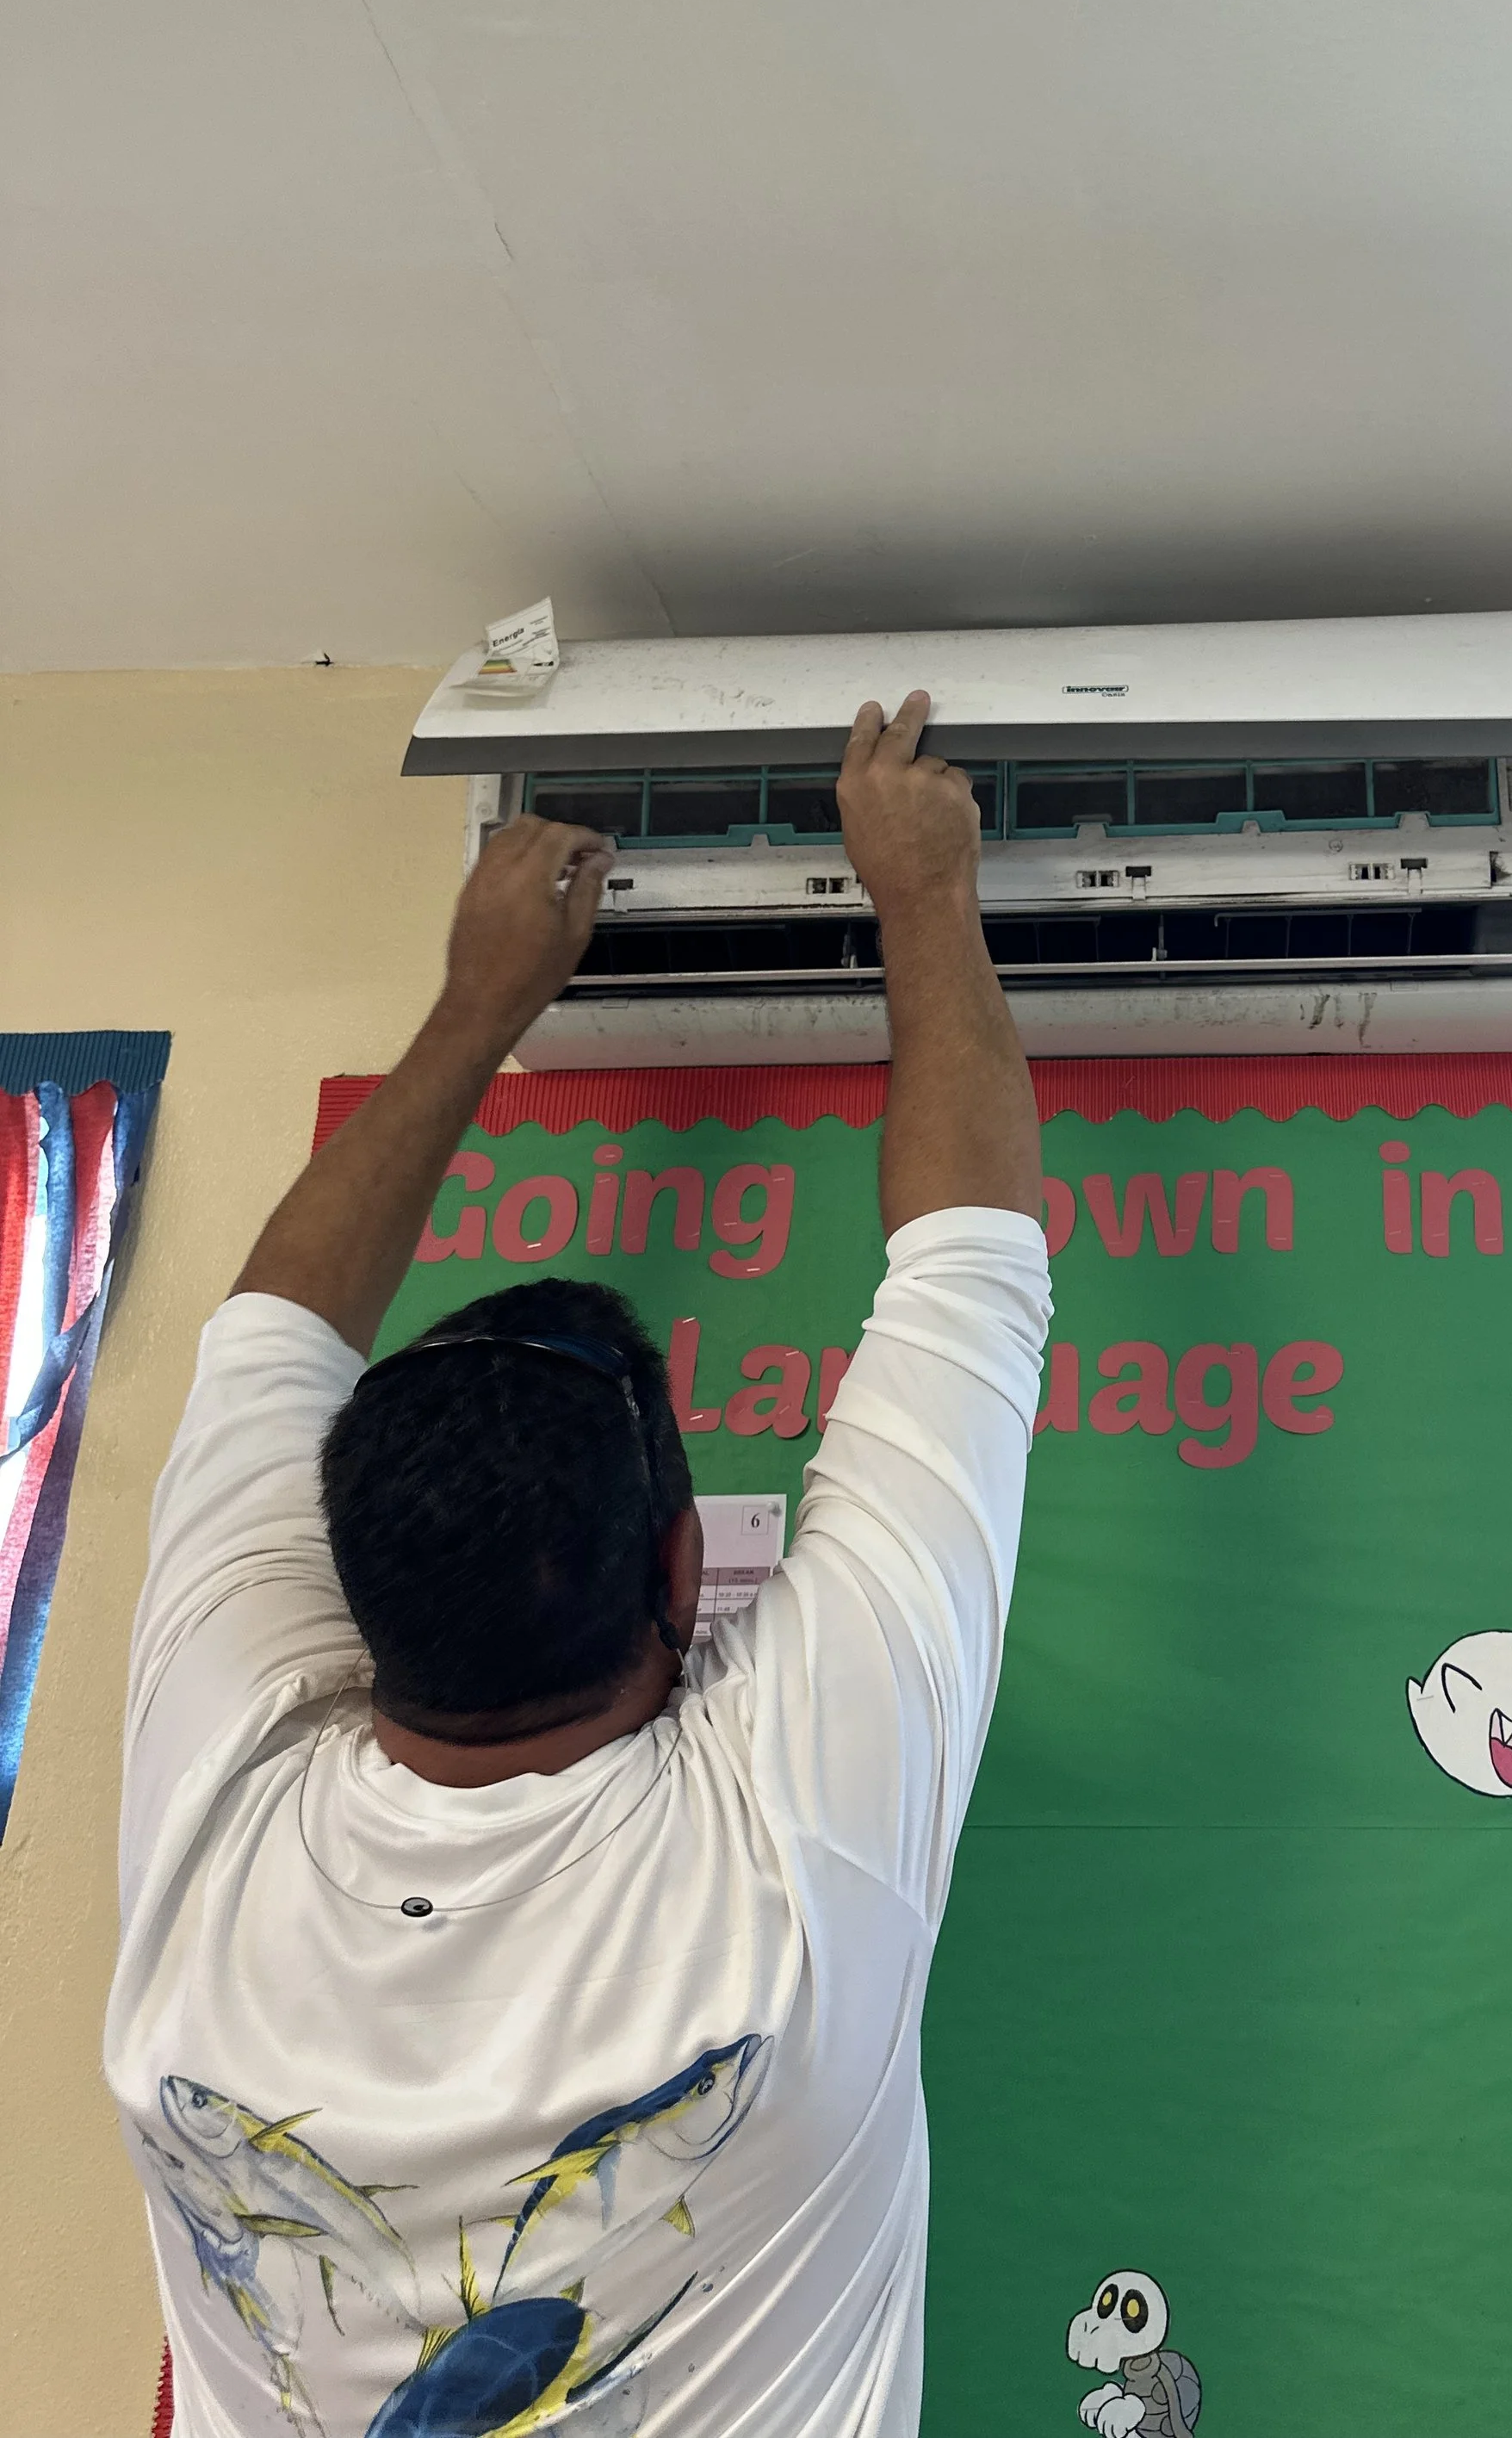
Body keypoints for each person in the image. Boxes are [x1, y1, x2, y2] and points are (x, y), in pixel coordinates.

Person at [104, 692, 1048, 2438]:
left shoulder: (207, 1832)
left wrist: (476, 1008)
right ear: (685, 1574)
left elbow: (266, 1339)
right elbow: (969, 1273)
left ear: (338, 1596)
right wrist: (919, 890)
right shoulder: (787, 1877)